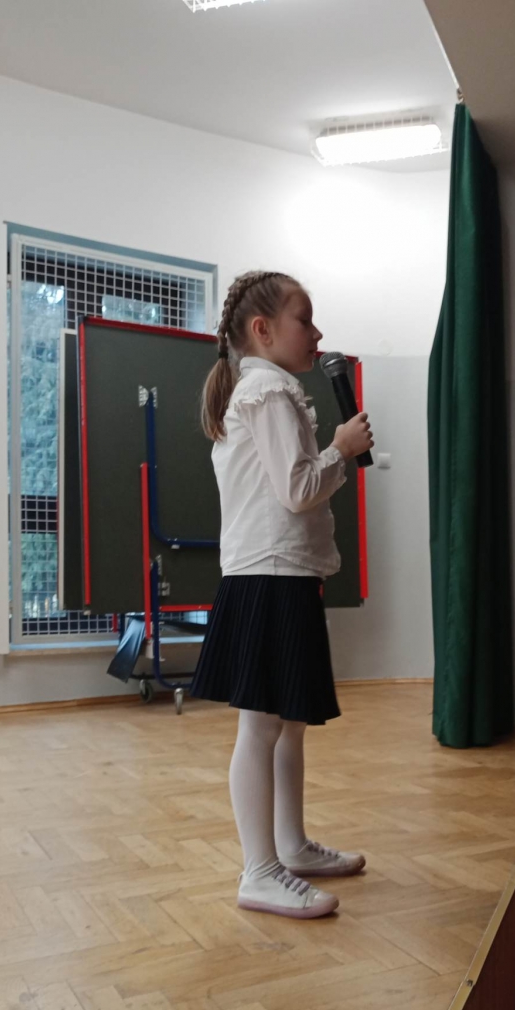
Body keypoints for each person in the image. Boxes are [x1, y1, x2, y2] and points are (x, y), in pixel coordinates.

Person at [191, 270, 374, 919]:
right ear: (262, 330)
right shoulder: (266, 389)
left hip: (283, 573)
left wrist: (335, 454)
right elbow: (297, 490)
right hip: (266, 575)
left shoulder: (267, 387)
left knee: (287, 720)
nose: (317, 332)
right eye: (305, 320)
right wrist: (341, 450)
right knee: (263, 724)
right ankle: (259, 871)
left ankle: (290, 848)